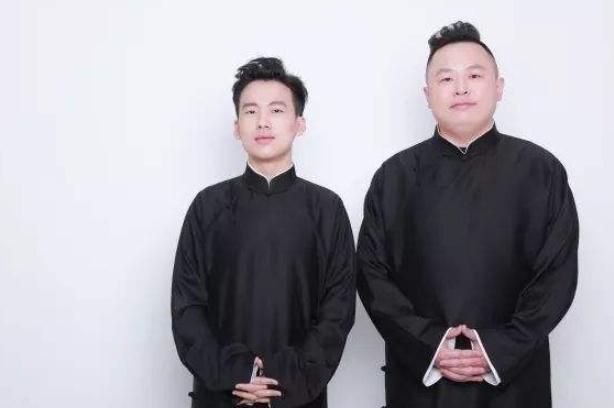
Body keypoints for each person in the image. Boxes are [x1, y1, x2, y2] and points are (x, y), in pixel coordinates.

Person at [356, 21, 578, 407]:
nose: (460, 88)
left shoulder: (541, 171)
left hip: (515, 382)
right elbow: (372, 277)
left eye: (474, 75)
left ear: (499, 87)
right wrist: (431, 345)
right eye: (446, 79)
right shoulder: (394, 177)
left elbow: (556, 276)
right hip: (421, 383)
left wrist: (498, 347)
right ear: (428, 94)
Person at [171, 57, 355, 408]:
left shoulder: (326, 209)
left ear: (299, 124)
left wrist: (283, 378)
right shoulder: (207, 207)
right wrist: (235, 373)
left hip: (300, 394)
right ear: (236, 126)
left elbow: (338, 311)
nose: (263, 122)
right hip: (221, 393)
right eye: (251, 111)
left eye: (277, 110)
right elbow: (187, 308)